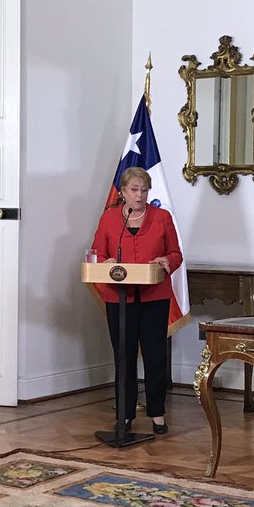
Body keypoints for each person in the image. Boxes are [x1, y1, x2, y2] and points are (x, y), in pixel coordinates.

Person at [91, 166, 182, 435]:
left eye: (144, 190)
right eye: (134, 190)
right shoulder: (109, 219)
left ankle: (157, 414)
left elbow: (176, 253)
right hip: (119, 299)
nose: (140, 195)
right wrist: (105, 261)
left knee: (155, 357)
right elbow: (97, 253)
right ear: (123, 192)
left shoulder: (162, 217)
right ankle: (125, 415)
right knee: (124, 357)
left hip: (154, 297)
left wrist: (166, 260)